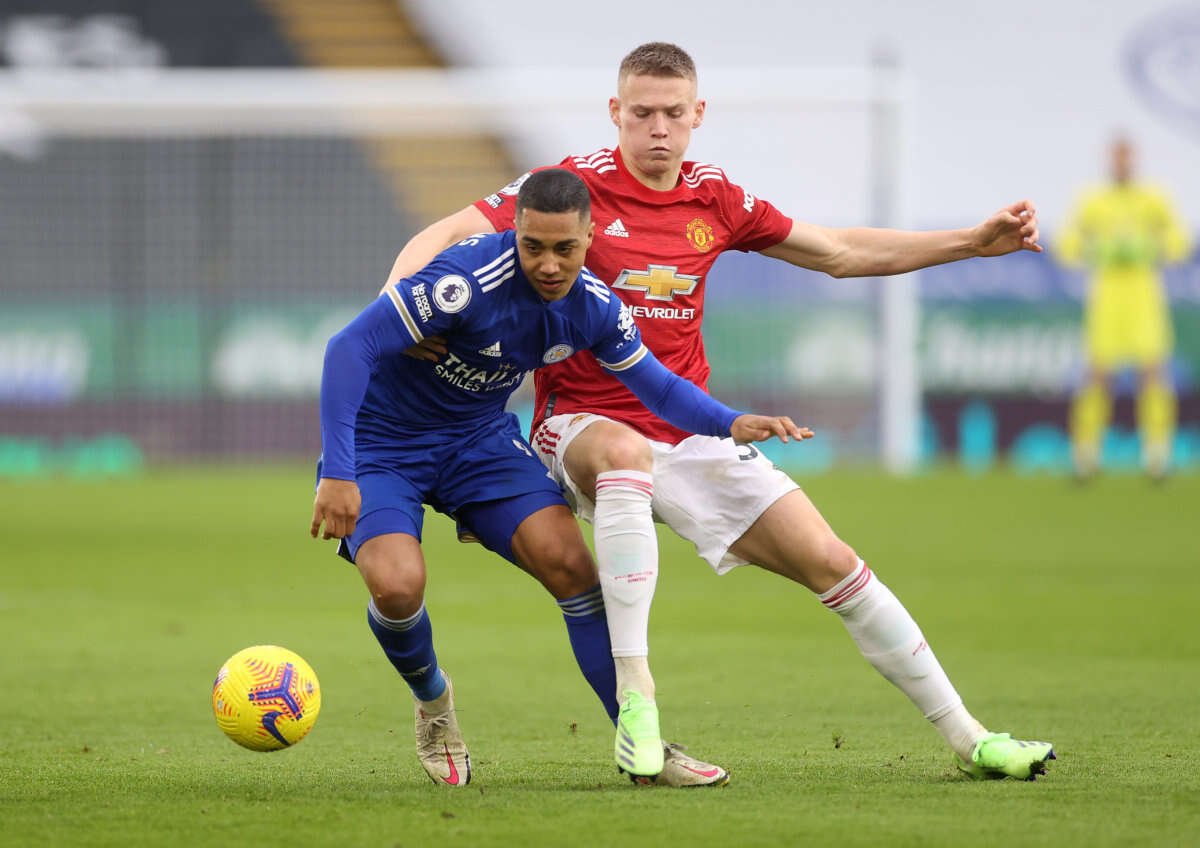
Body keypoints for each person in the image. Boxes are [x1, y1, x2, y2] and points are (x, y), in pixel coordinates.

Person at [387, 42, 1057, 782]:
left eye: (673, 113)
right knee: (623, 456)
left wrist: (970, 243)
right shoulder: (575, 188)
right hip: (579, 424)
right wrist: (397, 306)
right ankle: (637, 699)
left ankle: (972, 739)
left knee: (834, 562)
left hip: (689, 430)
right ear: (616, 112)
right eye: (642, 113)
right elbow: (448, 230)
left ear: (698, 113)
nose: (658, 129)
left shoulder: (716, 199)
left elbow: (837, 251)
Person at [312, 167, 807, 787]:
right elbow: (347, 348)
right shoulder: (463, 283)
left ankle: (641, 744)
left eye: (565, 248)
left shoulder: (593, 306)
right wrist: (339, 472)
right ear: (515, 232)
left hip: (477, 443)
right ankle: (434, 702)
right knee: (396, 587)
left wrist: (729, 421)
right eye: (533, 246)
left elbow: (657, 387)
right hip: (384, 444)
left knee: (572, 566)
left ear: (590, 238)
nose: (548, 264)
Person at [1058, 136, 1192, 480]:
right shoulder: (1093, 201)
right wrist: (1096, 251)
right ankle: (1086, 455)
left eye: (1127, 157)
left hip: (1144, 296)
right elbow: (1067, 245)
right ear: (1109, 160)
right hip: (1106, 297)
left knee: (1154, 371)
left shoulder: (1154, 199)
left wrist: (1150, 248)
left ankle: (1157, 455)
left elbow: (1181, 242)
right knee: (1098, 374)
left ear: (1135, 160)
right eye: (1117, 157)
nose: (1122, 164)